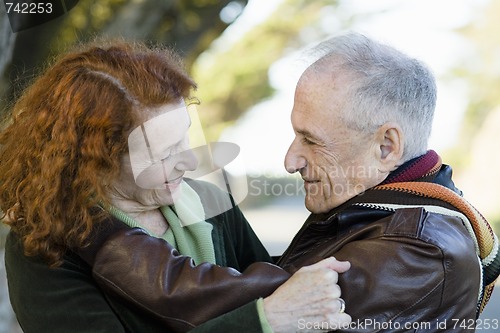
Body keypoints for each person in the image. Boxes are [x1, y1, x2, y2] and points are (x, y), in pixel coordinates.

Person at [73, 32, 500, 332]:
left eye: (312, 141)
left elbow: (259, 301)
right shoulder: (379, 211)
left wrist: (104, 238)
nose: (290, 160)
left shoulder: (419, 250)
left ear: (387, 146)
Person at [0, 40, 352, 333]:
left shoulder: (212, 200)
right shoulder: (44, 243)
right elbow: (272, 309)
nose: (189, 162)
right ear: (99, 162)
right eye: (164, 154)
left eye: (185, 138)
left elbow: (272, 285)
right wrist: (263, 321)